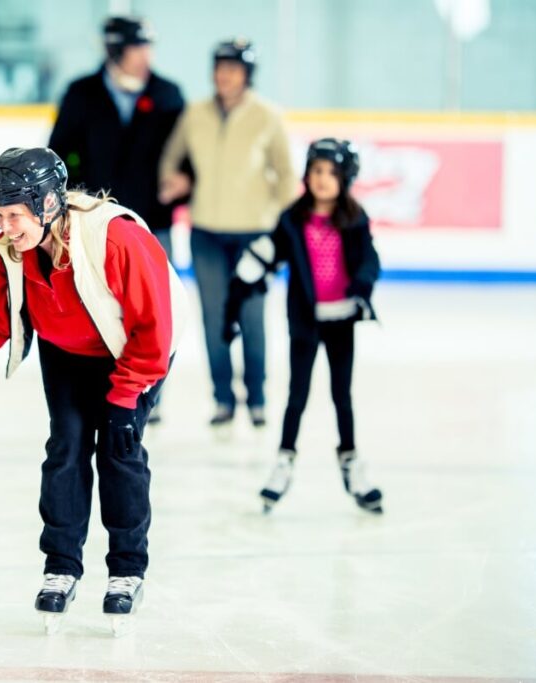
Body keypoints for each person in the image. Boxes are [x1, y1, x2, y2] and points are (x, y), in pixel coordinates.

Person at [0, 147, 185, 634]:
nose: (6, 227)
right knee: (66, 448)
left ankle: (127, 570)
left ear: (48, 204)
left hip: (132, 352)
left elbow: (154, 330)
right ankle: (62, 566)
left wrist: (126, 398)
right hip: (67, 352)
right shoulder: (7, 251)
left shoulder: (116, 239)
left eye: (14, 215)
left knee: (119, 452)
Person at [223, 138, 384, 514]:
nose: (323, 179)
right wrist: (238, 291)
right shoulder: (292, 219)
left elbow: (369, 260)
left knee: (342, 397)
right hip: (306, 322)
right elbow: (267, 253)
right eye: (316, 171)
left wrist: (362, 284)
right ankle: (284, 460)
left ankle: (351, 460)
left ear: (346, 177)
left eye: (331, 172)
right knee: (297, 396)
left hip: (341, 318)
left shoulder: (356, 219)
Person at [159, 38, 298, 430]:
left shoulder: (268, 117)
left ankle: (256, 397)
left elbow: (287, 177)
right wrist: (175, 180)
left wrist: (275, 223)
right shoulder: (195, 113)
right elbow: (172, 157)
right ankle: (222, 398)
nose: (225, 75)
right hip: (205, 232)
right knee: (214, 318)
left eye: (234, 69)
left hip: (254, 236)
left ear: (247, 75)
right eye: (220, 67)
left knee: (252, 317)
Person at [48, 16, 185, 261]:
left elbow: (185, 153)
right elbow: (59, 153)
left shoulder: (167, 94)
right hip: (92, 220)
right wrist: (75, 197)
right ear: (115, 50)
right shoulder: (81, 94)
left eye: (148, 47)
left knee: (155, 296)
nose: (147, 57)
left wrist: (183, 181)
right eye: (137, 48)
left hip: (153, 222)